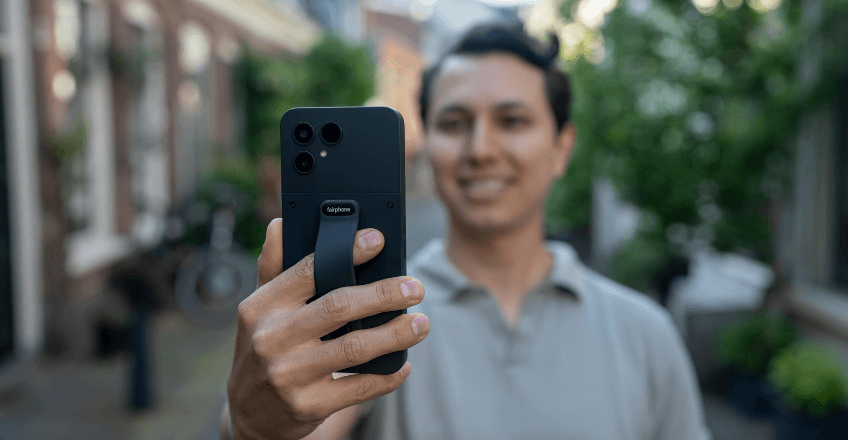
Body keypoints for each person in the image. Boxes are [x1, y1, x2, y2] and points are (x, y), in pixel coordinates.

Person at [222, 23, 711, 440]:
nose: (480, 149)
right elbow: (306, 420)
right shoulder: (372, 315)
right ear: (427, 144)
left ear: (562, 147)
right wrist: (252, 424)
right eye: (454, 123)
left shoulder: (646, 334)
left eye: (512, 120)